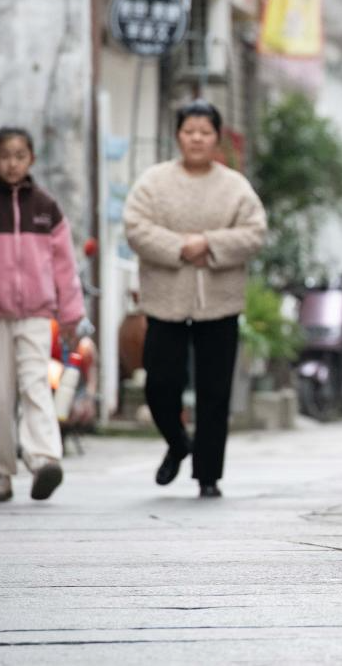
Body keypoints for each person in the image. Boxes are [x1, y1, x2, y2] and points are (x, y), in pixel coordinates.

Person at [124, 100, 267, 498]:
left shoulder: (234, 186)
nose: (197, 138)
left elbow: (255, 232)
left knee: (215, 390)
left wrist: (211, 243)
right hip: (164, 299)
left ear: (216, 137)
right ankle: (176, 442)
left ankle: (208, 475)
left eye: (205, 132)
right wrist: (181, 247)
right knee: (159, 383)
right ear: (178, 136)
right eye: (190, 131)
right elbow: (135, 227)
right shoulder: (154, 182)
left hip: (219, 302)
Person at [0, 126, 84, 503]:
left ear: (32, 159)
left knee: (36, 384)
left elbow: (65, 267)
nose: (12, 163)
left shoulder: (47, 208)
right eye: (5, 155)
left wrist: (71, 316)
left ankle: (43, 460)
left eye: (20, 155)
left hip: (36, 314)